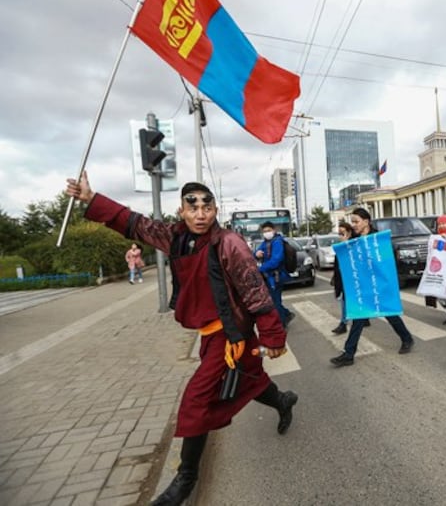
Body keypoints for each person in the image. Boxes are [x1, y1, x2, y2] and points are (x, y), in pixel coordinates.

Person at [65, 174, 298, 506]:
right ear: (182, 211)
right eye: (193, 207)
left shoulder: (229, 243)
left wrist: (273, 335)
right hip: (209, 336)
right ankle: (283, 401)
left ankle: (186, 478)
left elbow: (255, 291)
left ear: (216, 209)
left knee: (195, 400)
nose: (201, 214)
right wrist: (91, 199)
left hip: (231, 336)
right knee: (251, 380)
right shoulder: (173, 238)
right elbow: (134, 223)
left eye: (207, 207)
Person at [330, 208, 415, 366]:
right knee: (358, 319)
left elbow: (388, 262)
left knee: (390, 314)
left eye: (356, 221)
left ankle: (407, 338)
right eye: (353, 222)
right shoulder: (354, 240)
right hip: (363, 287)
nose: (354, 225)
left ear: (366, 221)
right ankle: (349, 354)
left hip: (378, 285)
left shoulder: (378, 240)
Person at [254, 222, 294, 327]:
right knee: (273, 300)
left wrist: (260, 268)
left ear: (274, 230)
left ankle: (282, 323)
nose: (266, 233)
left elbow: (276, 260)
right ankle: (286, 314)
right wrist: (256, 254)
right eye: (264, 231)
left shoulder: (277, 242)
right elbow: (256, 252)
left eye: (268, 231)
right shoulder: (266, 242)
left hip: (277, 277)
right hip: (269, 277)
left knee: (275, 302)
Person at [331, 222, 354, 334]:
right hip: (344, 280)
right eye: (339, 233)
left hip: (353, 280)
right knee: (344, 301)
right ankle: (343, 324)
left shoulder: (353, 245)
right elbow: (337, 266)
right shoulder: (340, 247)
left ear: (349, 233)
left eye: (342, 233)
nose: (340, 236)